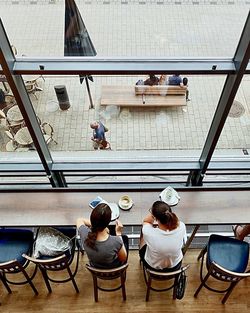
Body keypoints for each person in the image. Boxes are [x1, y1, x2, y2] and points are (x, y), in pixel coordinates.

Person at [76, 203, 128, 269]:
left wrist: (95, 224)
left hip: (95, 265)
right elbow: (123, 258)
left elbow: (79, 220)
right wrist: (118, 233)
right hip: (112, 267)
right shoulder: (116, 241)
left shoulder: (84, 233)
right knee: (125, 239)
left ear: (92, 219)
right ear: (108, 222)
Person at [139, 201, 187, 272]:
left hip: (153, 266)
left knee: (143, 239)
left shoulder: (149, 233)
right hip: (175, 265)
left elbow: (146, 222)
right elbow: (177, 222)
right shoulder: (182, 226)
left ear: (155, 218)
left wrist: (152, 215)